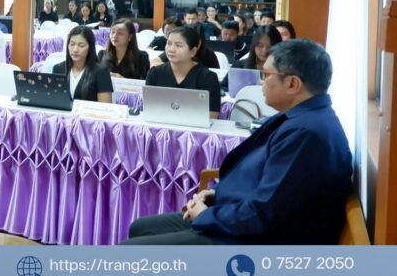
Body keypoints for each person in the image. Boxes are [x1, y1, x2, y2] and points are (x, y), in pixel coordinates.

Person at [122, 39, 352, 244]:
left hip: (259, 241)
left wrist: (206, 215)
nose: (261, 82)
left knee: (130, 252)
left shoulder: (306, 134)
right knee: (139, 228)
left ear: (293, 84)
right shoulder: (302, 118)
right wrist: (216, 194)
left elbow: (264, 212)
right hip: (239, 214)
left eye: (266, 74)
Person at [146, 26, 222, 118]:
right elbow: (148, 108)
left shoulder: (208, 77)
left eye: (178, 45)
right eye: (169, 43)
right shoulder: (154, 73)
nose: (171, 49)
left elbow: (212, 115)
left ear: (193, 51)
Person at [53, 26, 113, 102]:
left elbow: (105, 106)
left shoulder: (101, 72)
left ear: (90, 47)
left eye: (81, 46)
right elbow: (54, 100)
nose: (75, 50)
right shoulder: (58, 68)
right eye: (72, 44)